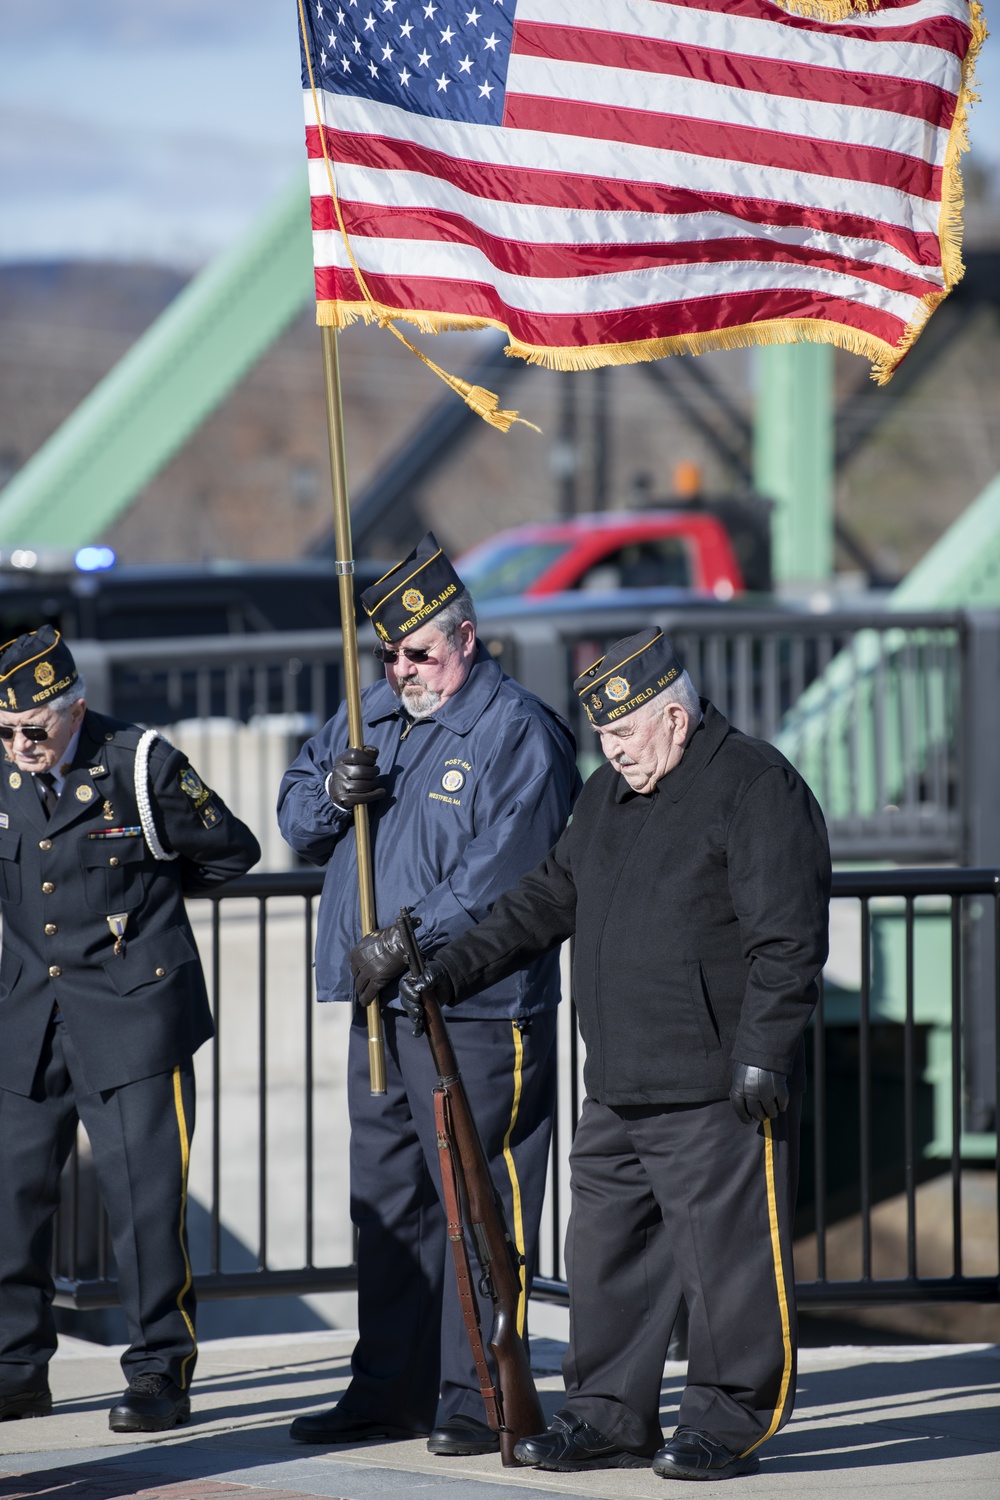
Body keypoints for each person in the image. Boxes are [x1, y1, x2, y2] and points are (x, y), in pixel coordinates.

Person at [401, 626, 831, 1481]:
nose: (613, 751)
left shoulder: (754, 784)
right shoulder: (607, 795)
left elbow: (786, 939)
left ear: (675, 718)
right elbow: (544, 899)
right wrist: (451, 968)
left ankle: (727, 1418)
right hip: (620, 1079)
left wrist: (765, 1053)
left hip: (714, 1080)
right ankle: (606, 1414)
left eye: (625, 734)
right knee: (606, 1258)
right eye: (603, 736)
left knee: (728, 1265)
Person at [277, 532, 580, 1456]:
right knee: (393, 1205)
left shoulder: (515, 732)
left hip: (476, 1009)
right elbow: (293, 816)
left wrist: (407, 940)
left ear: (467, 640)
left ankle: (477, 1390)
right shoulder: (371, 715)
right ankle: (390, 1388)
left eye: (419, 652)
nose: (402, 668)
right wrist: (336, 790)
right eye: (390, 653)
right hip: (384, 1010)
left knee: (475, 1202)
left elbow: (507, 873)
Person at [0, 626, 260, 1433]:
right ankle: (15, 1367)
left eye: (32, 729)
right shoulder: (3, 770)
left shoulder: (140, 766)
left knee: (144, 1205)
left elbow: (230, 853)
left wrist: (148, 907)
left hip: (131, 1013)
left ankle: (158, 1370)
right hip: (26, 1015)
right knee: (9, 1201)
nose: (18, 745)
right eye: (3, 730)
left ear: (74, 709)